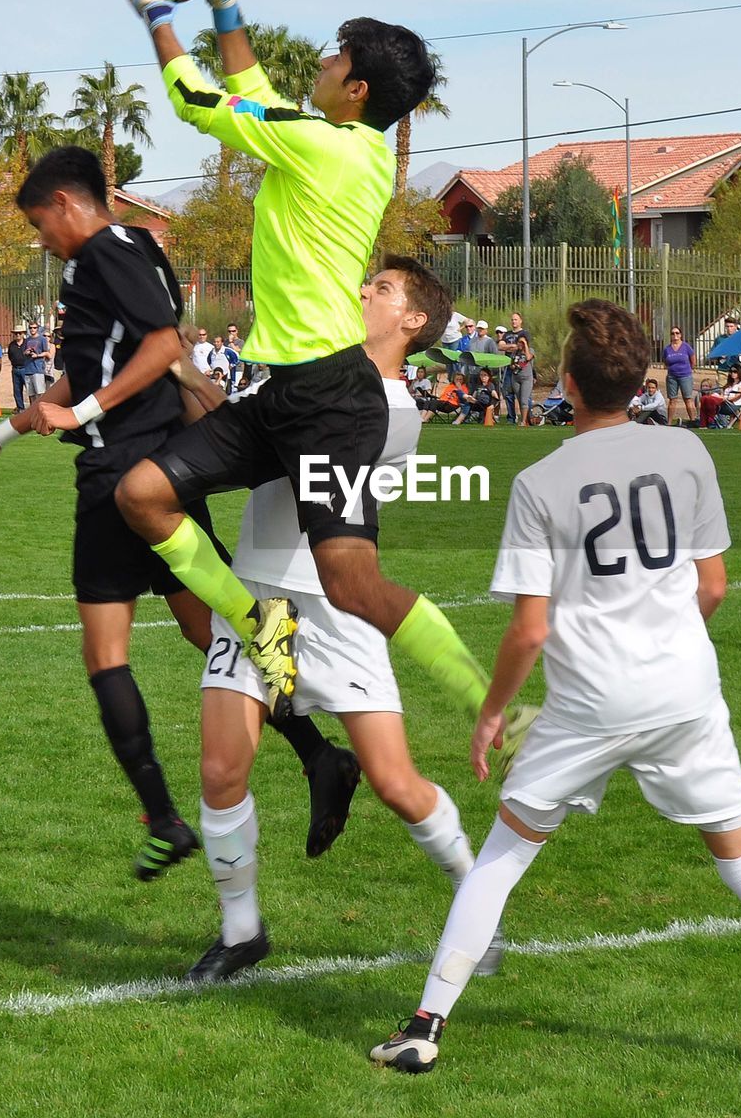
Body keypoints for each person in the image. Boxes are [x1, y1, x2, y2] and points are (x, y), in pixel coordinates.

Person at [371, 298, 741, 1080]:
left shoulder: (539, 480)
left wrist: (492, 710)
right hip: (682, 694)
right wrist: (667, 640)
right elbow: (712, 587)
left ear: (566, 382)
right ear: (640, 381)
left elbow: (529, 630)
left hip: (588, 705)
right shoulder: (688, 456)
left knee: (501, 856)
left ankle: (424, 1026)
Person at [112, 0, 492, 728]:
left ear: (355, 89)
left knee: (353, 582)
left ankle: (489, 703)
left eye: (335, 57)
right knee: (142, 495)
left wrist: (154, 9)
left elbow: (197, 100)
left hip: (333, 399)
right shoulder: (335, 141)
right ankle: (259, 627)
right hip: (284, 391)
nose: (321, 61)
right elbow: (251, 91)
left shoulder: (327, 147)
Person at [0, 147, 360, 877]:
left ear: (69, 205)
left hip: (120, 475)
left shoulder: (107, 252)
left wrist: (84, 411)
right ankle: (319, 754)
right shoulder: (121, 252)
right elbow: (110, 359)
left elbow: (165, 346)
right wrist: (0, 434)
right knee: (212, 628)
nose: (39, 240)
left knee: (107, 655)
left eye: (41, 223)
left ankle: (165, 818)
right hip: (156, 469)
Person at [184, 258, 527, 980]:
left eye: (380, 288)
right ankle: (241, 931)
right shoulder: (317, 375)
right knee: (221, 770)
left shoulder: (393, 414)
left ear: (412, 321)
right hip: (259, 597)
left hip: (333, 605)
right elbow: (240, 436)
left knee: (396, 782)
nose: (361, 290)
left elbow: (269, 452)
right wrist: (187, 379)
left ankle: (474, 900)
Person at [662, 325, 696, 423]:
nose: (675, 335)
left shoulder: (686, 347)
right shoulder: (667, 349)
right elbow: (665, 361)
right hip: (672, 376)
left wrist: (689, 369)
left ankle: (693, 420)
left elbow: (693, 360)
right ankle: (669, 422)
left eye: (677, 333)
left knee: (688, 399)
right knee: (672, 400)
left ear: (680, 335)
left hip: (685, 375)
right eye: (672, 333)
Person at [22, 321, 51, 404]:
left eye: (34, 328)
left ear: (37, 329)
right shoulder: (27, 340)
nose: (32, 329)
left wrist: (37, 355)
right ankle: (32, 413)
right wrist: (26, 352)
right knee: (31, 395)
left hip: (38, 369)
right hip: (28, 369)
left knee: (39, 393)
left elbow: (46, 353)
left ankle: (39, 411)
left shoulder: (42, 339)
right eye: (30, 328)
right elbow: (23, 353)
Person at [6, 325, 30, 413]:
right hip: (15, 369)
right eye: (16, 333)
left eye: (20, 333)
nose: (18, 335)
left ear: (23, 334)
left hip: (26, 369)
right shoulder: (11, 345)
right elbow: (10, 356)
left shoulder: (27, 343)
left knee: (29, 389)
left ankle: (32, 407)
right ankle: (20, 408)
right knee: (17, 390)